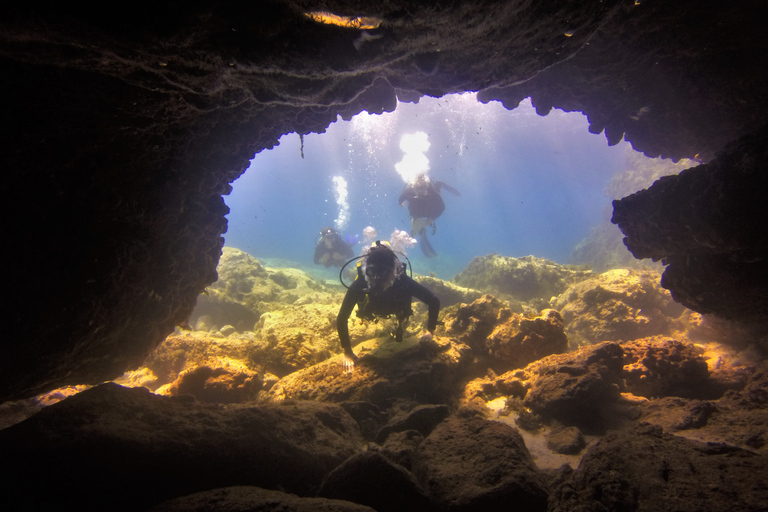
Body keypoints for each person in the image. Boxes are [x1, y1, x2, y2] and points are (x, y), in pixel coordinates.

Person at [337, 241, 440, 368]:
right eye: (371, 272)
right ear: (366, 270)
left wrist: (430, 331)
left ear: (393, 272)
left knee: (402, 318)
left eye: (382, 273)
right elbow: (342, 318)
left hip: (397, 307)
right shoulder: (361, 282)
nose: (376, 279)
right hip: (371, 309)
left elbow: (433, 300)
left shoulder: (402, 280)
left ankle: (401, 322)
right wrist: (347, 352)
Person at [398, 174, 459, 257]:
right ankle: (421, 232)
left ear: (426, 186)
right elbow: (400, 199)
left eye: (422, 188)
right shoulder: (408, 191)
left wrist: (432, 219)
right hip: (417, 209)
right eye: (417, 188)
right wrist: (402, 203)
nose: (420, 191)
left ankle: (439, 184)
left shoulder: (432, 191)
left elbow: (442, 207)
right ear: (413, 187)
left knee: (436, 188)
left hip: (430, 207)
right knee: (415, 227)